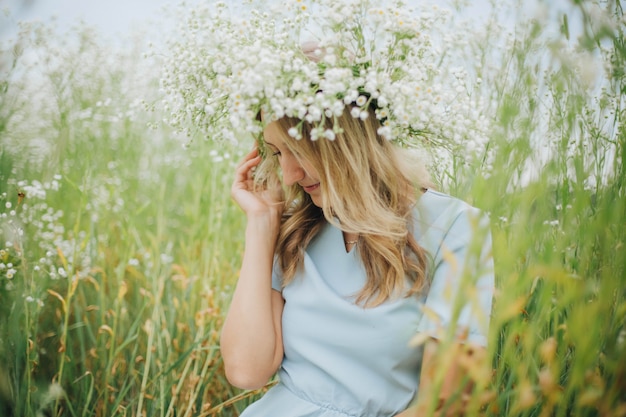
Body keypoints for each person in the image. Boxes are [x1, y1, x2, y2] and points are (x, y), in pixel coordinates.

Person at [220, 104, 495, 416]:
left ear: (349, 136)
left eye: (299, 149)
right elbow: (245, 371)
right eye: (278, 153)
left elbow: (447, 404)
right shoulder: (297, 229)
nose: (288, 174)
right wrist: (261, 223)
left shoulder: (453, 227)